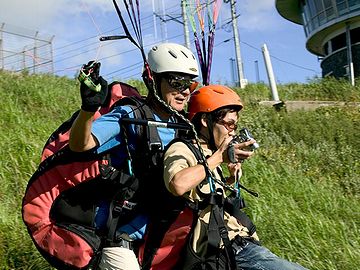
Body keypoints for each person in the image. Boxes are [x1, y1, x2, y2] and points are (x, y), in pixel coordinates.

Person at [69, 42, 199, 270]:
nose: (185, 91)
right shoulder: (130, 114)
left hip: (162, 237)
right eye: (177, 82)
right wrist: (88, 110)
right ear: (153, 80)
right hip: (120, 236)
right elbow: (81, 145)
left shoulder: (184, 124)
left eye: (190, 84)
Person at [163, 84, 308, 270]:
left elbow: (209, 197)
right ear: (206, 120)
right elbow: (178, 184)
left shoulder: (210, 153)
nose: (232, 131)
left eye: (235, 125)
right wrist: (218, 158)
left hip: (241, 242)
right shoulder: (182, 149)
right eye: (229, 124)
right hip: (225, 249)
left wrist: (231, 178)